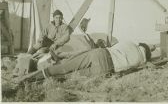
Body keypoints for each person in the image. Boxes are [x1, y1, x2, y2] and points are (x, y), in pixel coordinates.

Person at [18, 41, 156, 81]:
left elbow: (113, 46)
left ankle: (28, 79)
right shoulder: (141, 61)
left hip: (101, 54)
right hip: (106, 69)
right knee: (68, 76)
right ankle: (40, 81)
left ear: (141, 45)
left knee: (64, 67)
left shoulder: (130, 44)